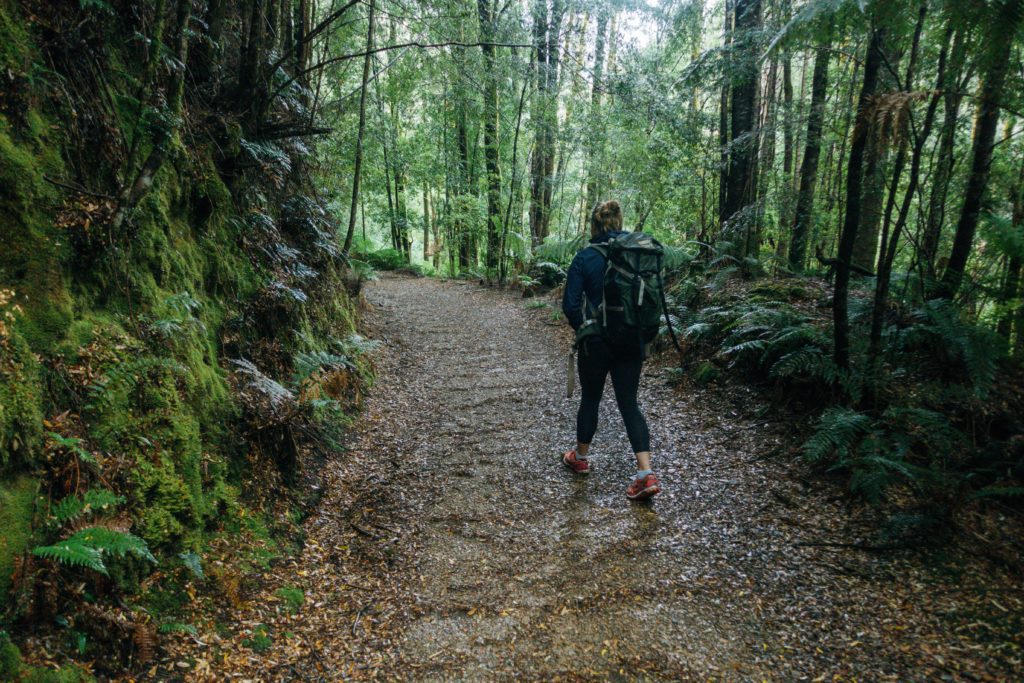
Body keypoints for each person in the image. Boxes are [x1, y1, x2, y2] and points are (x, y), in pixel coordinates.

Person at [561, 200, 661, 501]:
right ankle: (645, 474)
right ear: (619, 222)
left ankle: (580, 457)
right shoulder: (637, 255)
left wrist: (585, 328)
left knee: (591, 398)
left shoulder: (585, 257)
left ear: (594, 224)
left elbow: (570, 305)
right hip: (631, 339)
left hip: (596, 343)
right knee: (629, 403)